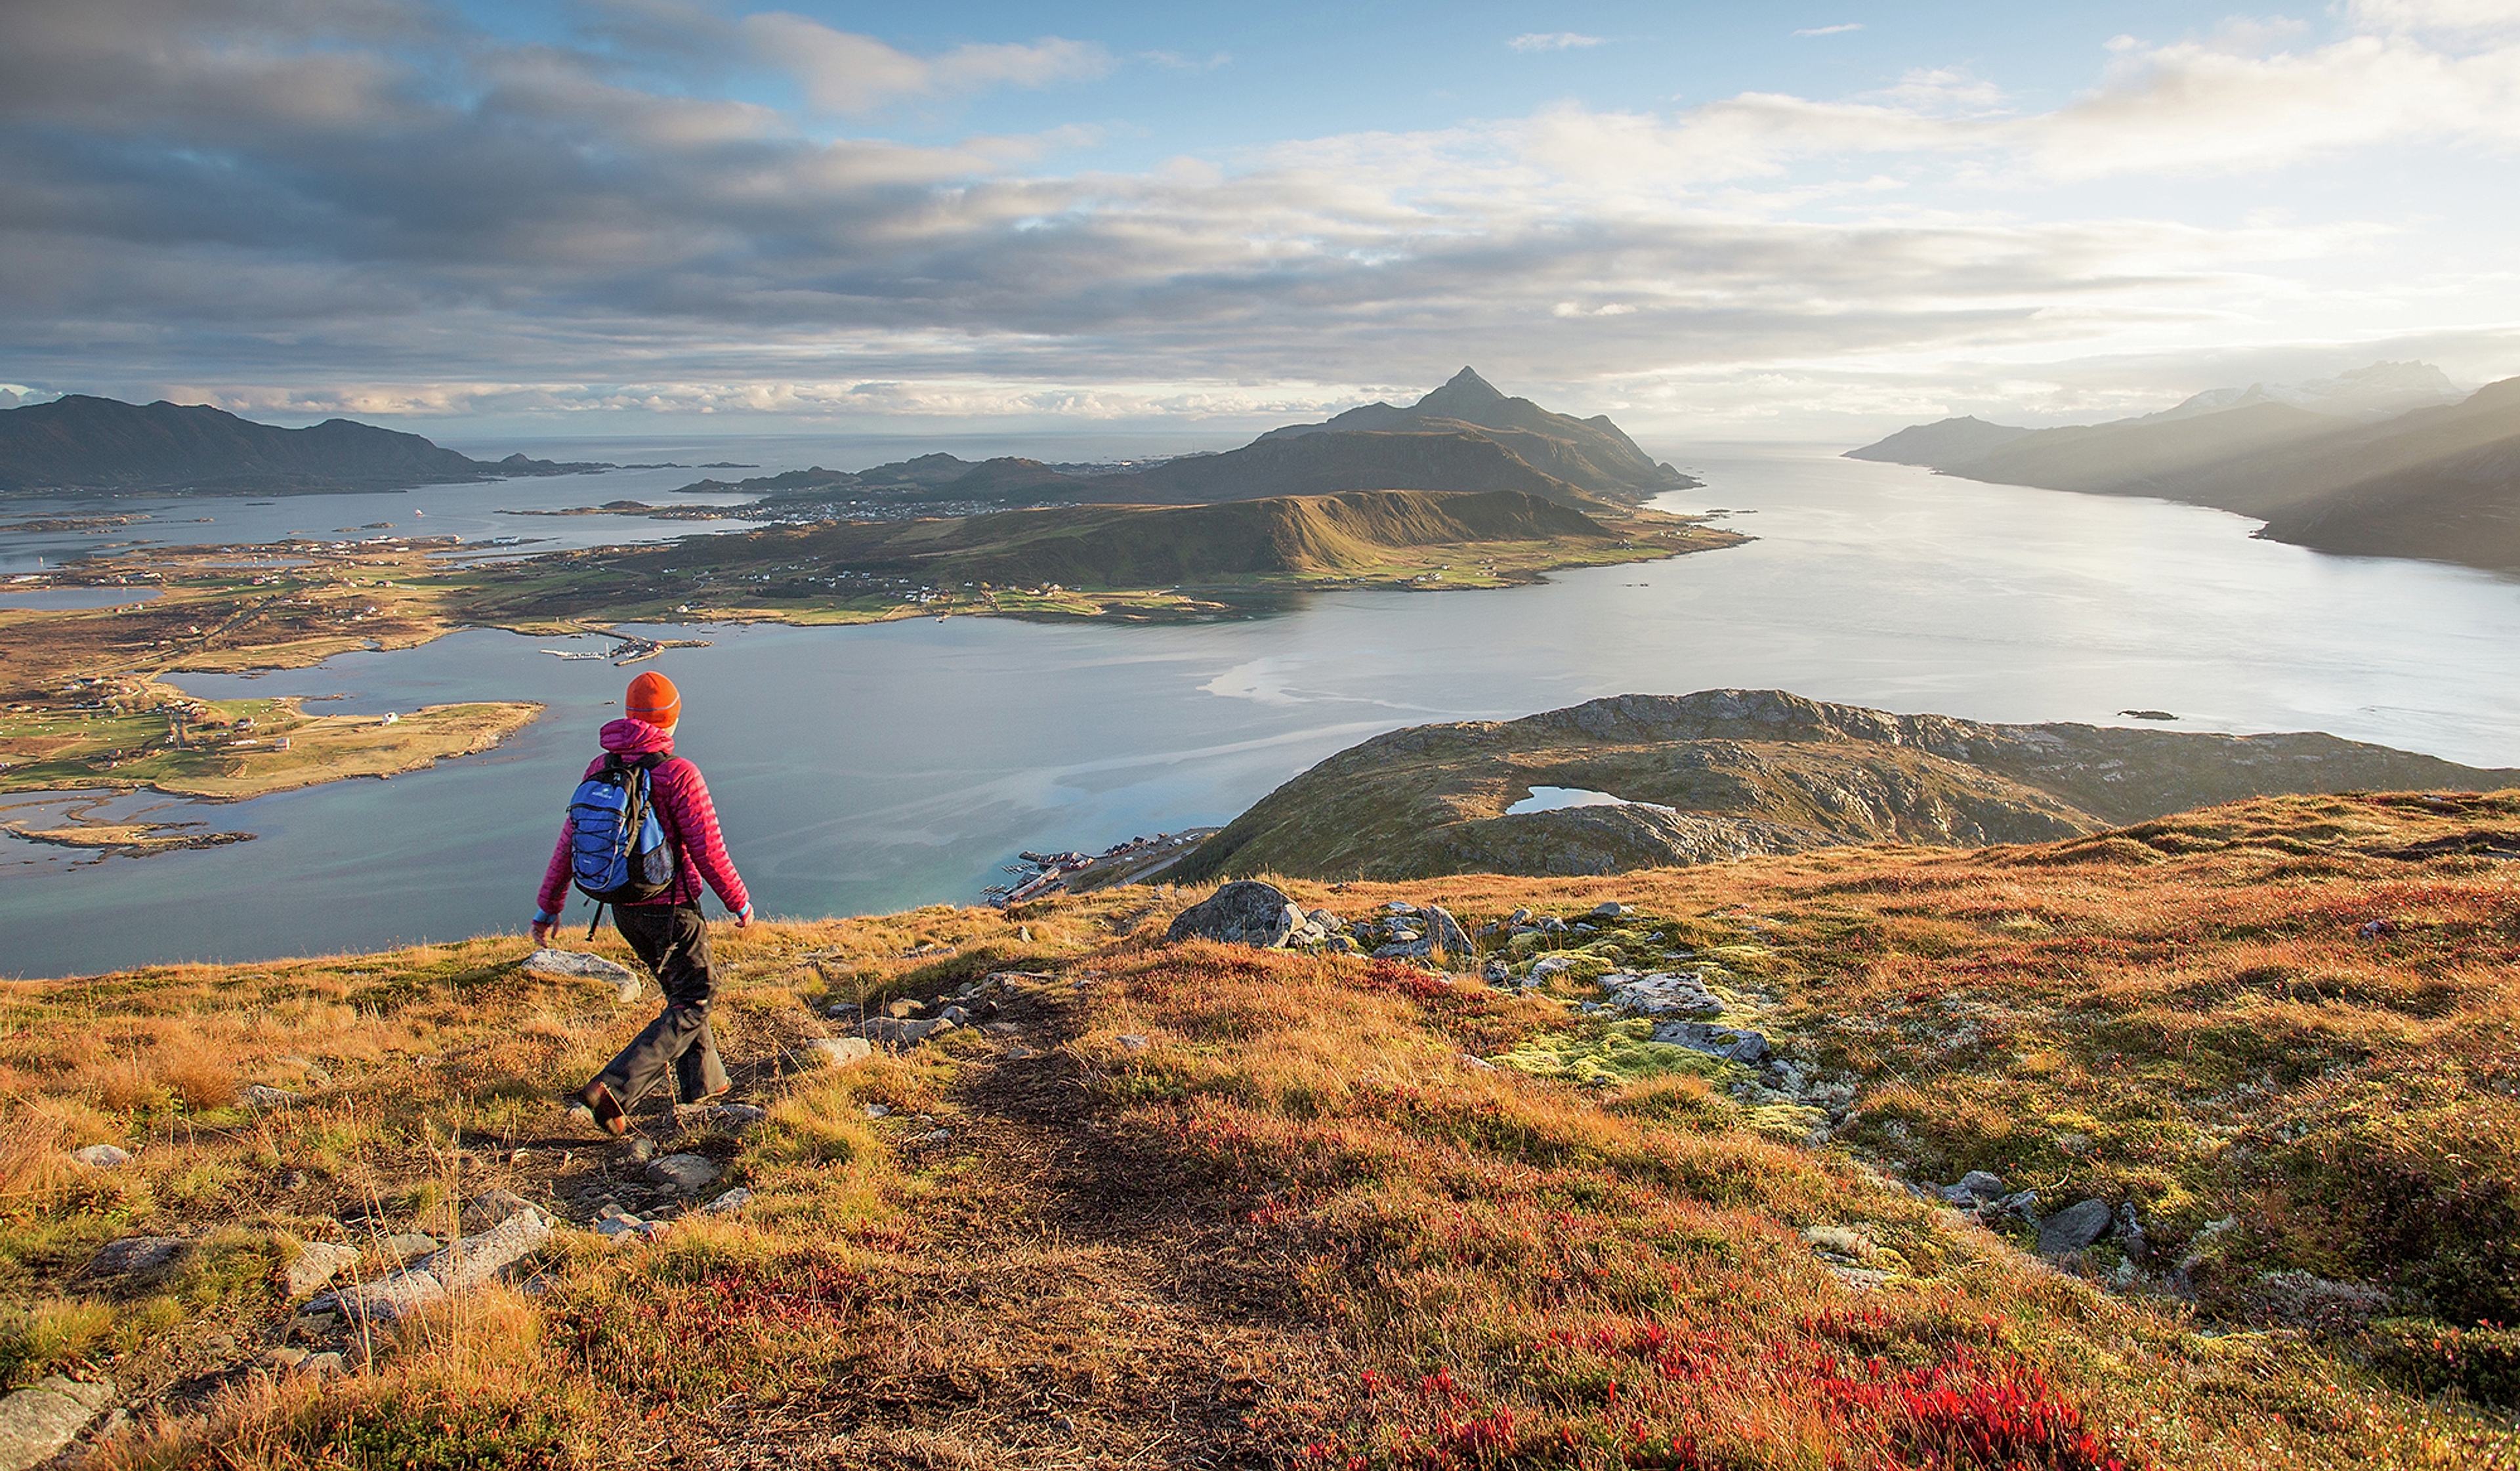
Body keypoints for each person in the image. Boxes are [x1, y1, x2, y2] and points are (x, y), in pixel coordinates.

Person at [532, 670, 753, 1135]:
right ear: (671, 717)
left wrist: (548, 906)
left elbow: (568, 842)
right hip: (672, 909)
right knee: (697, 996)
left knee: (683, 994)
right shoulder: (678, 773)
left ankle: (704, 1089)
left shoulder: (601, 770)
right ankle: (613, 1089)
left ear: (631, 715)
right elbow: (708, 849)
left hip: (623, 909)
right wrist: (739, 902)